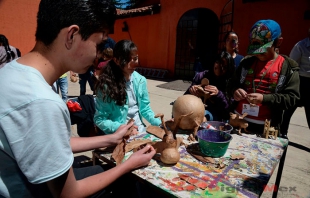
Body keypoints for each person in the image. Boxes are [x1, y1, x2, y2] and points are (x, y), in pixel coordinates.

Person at [0, 1, 155, 197]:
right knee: (127, 181)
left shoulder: (11, 73)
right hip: (32, 192)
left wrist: (111, 138)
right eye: (99, 44)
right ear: (72, 35)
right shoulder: (42, 101)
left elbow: (55, 142)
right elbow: (68, 194)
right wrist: (128, 165)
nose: (99, 55)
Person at [230, 19, 300, 134]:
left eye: (264, 48)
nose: (258, 53)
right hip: (238, 121)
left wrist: (264, 99)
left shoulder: (288, 67)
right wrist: (235, 90)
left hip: (265, 128)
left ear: (278, 42)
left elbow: (292, 99)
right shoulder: (246, 63)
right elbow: (231, 84)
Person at [94, 40, 161, 135]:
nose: (131, 64)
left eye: (134, 59)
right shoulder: (107, 85)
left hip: (140, 131)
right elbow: (100, 119)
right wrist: (123, 128)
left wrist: (161, 123)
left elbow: (145, 109)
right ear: (116, 61)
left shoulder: (140, 80)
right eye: (126, 60)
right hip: (119, 135)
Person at [184, 51, 235, 121]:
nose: (220, 67)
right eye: (218, 63)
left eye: (224, 66)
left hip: (216, 115)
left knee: (203, 115)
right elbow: (185, 98)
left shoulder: (230, 82)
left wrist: (219, 94)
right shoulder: (201, 76)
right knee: (179, 108)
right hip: (195, 108)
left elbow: (228, 111)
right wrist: (191, 90)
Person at [281, 28, 310, 138]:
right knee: (288, 110)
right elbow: (292, 65)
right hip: (301, 82)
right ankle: (283, 133)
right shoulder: (300, 46)